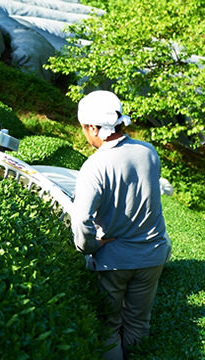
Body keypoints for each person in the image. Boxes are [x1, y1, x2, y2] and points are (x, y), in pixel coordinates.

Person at [71, 90, 172, 359]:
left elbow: (81, 221)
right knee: (139, 323)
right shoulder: (148, 151)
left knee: (109, 327)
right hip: (153, 254)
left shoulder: (95, 166)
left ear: (93, 127)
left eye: (84, 128)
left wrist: (91, 246)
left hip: (114, 260)